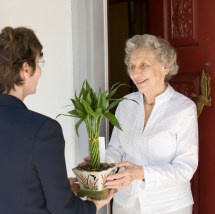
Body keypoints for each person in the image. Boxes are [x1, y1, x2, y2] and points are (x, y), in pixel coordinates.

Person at [0, 26, 113, 214]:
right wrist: (93, 205)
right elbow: (63, 210)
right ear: (26, 69)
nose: (40, 72)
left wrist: (57, 189)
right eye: (39, 62)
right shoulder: (44, 129)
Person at [105, 34, 198, 214]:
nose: (135, 73)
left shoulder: (184, 109)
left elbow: (185, 167)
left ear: (165, 67)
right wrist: (101, 164)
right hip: (126, 203)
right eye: (132, 66)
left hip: (169, 206)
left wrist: (141, 173)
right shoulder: (125, 103)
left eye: (143, 65)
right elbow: (116, 149)